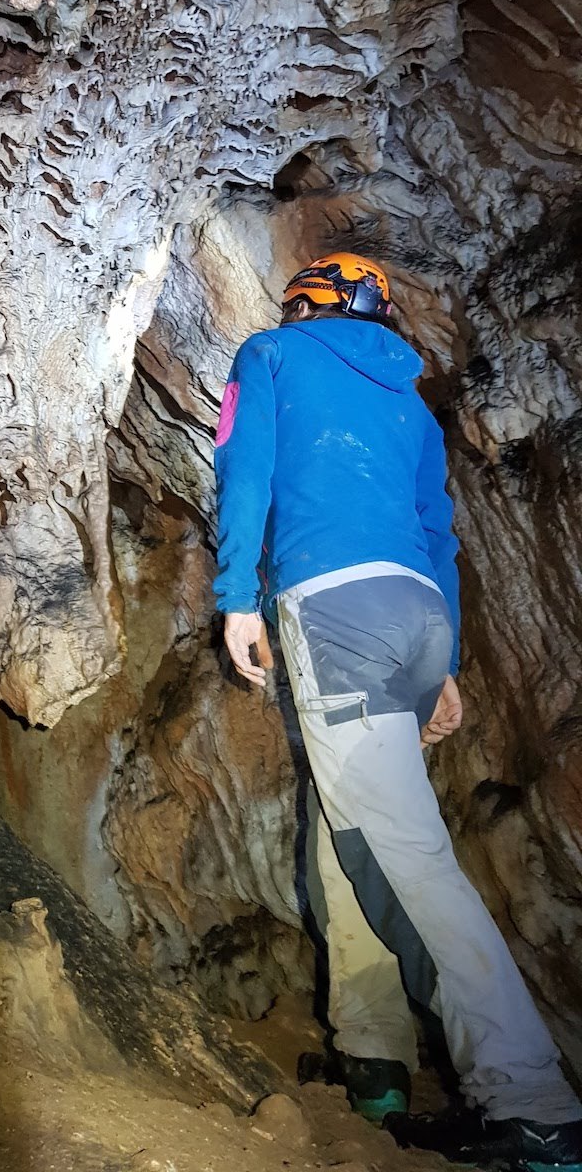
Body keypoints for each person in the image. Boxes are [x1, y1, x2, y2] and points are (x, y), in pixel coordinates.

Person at [213, 252, 582, 1170]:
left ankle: (531, 1100)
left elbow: (243, 465)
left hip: (333, 604)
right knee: (349, 828)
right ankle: (373, 1058)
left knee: (409, 851)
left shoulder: (270, 355)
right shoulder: (410, 402)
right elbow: (438, 532)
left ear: (303, 304)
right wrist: (446, 661)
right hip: (413, 613)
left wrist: (235, 596)